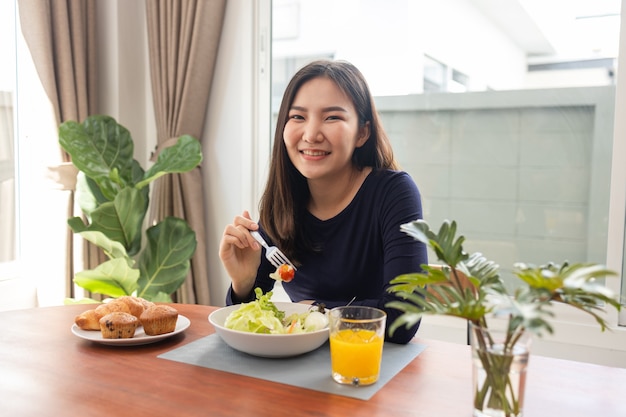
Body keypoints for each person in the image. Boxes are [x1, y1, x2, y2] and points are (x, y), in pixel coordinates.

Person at [218, 60, 427, 344]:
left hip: (372, 368)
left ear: (362, 132)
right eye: (298, 117)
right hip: (297, 366)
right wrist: (243, 283)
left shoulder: (394, 193)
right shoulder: (282, 202)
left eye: (331, 118)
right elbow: (250, 325)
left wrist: (315, 312)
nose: (311, 134)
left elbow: (404, 319)